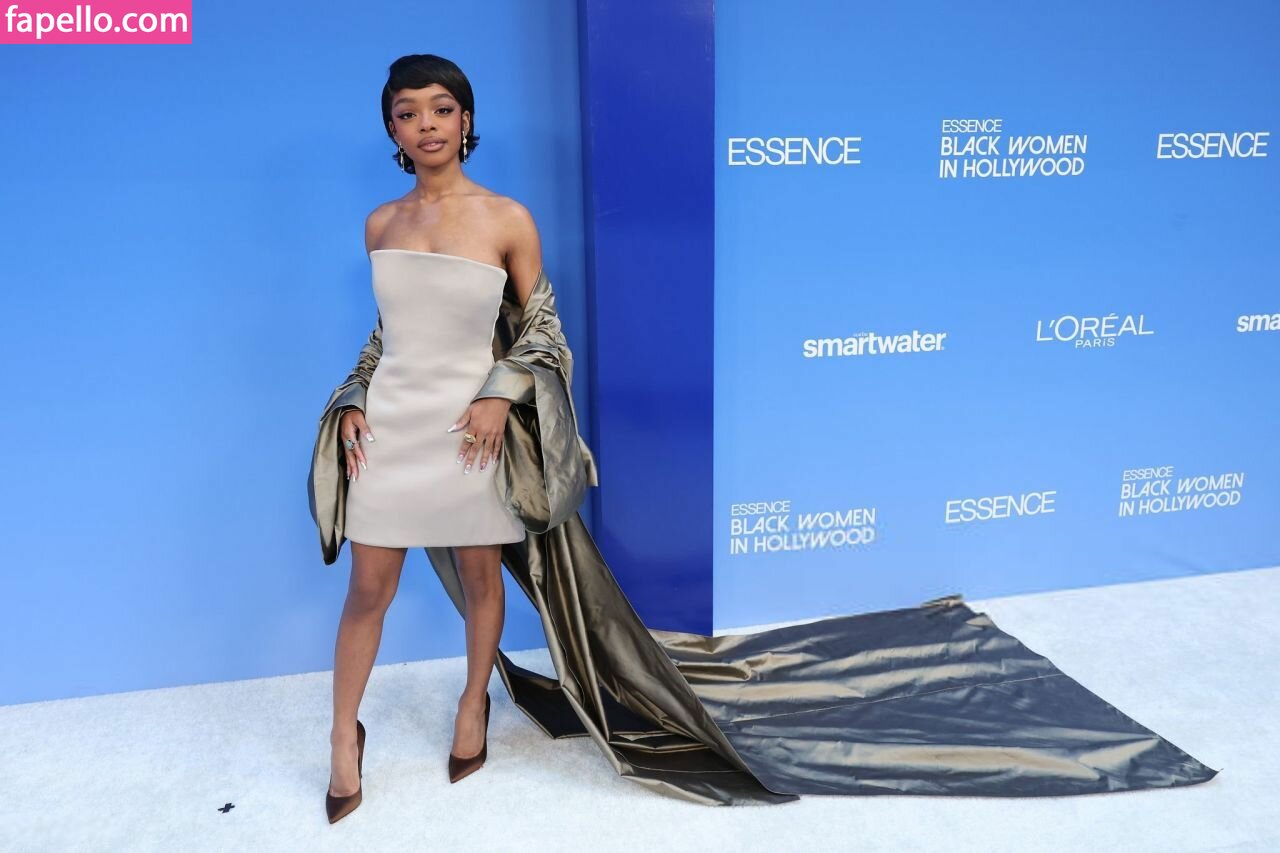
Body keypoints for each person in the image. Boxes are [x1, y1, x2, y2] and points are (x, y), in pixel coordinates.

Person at [308, 53, 1218, 824]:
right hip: (394, 426)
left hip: (474, 435)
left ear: (467, 121)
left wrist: (500, 394)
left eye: (441, 109)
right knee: (369, 590)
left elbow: (541, 329)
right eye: (407, 113)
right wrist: (351, 396)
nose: (426, 125)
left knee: (481, 579)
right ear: (392, 130)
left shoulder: (507, 218)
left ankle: (473, 704)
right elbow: (389, 336)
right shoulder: (382, 223)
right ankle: (345, 736)